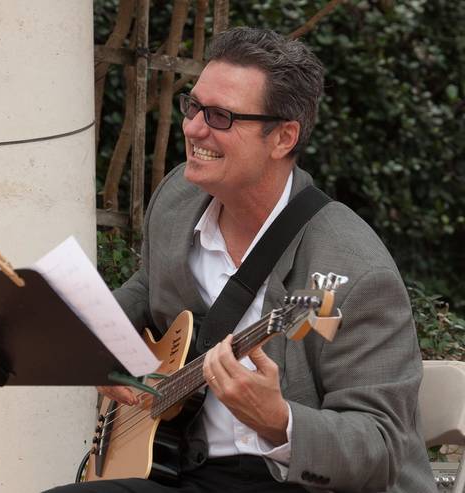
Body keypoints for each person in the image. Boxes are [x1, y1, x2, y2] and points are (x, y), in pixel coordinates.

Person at [46, 27, 436, 492]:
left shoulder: (352, 271)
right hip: (185, 467)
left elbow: (383, 445)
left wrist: (280, 422)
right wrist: (102, 342)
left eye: (221, 116)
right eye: (193, 106)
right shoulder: (178, 199)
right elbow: (150, 289)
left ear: (283, 137)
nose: (193, 128)